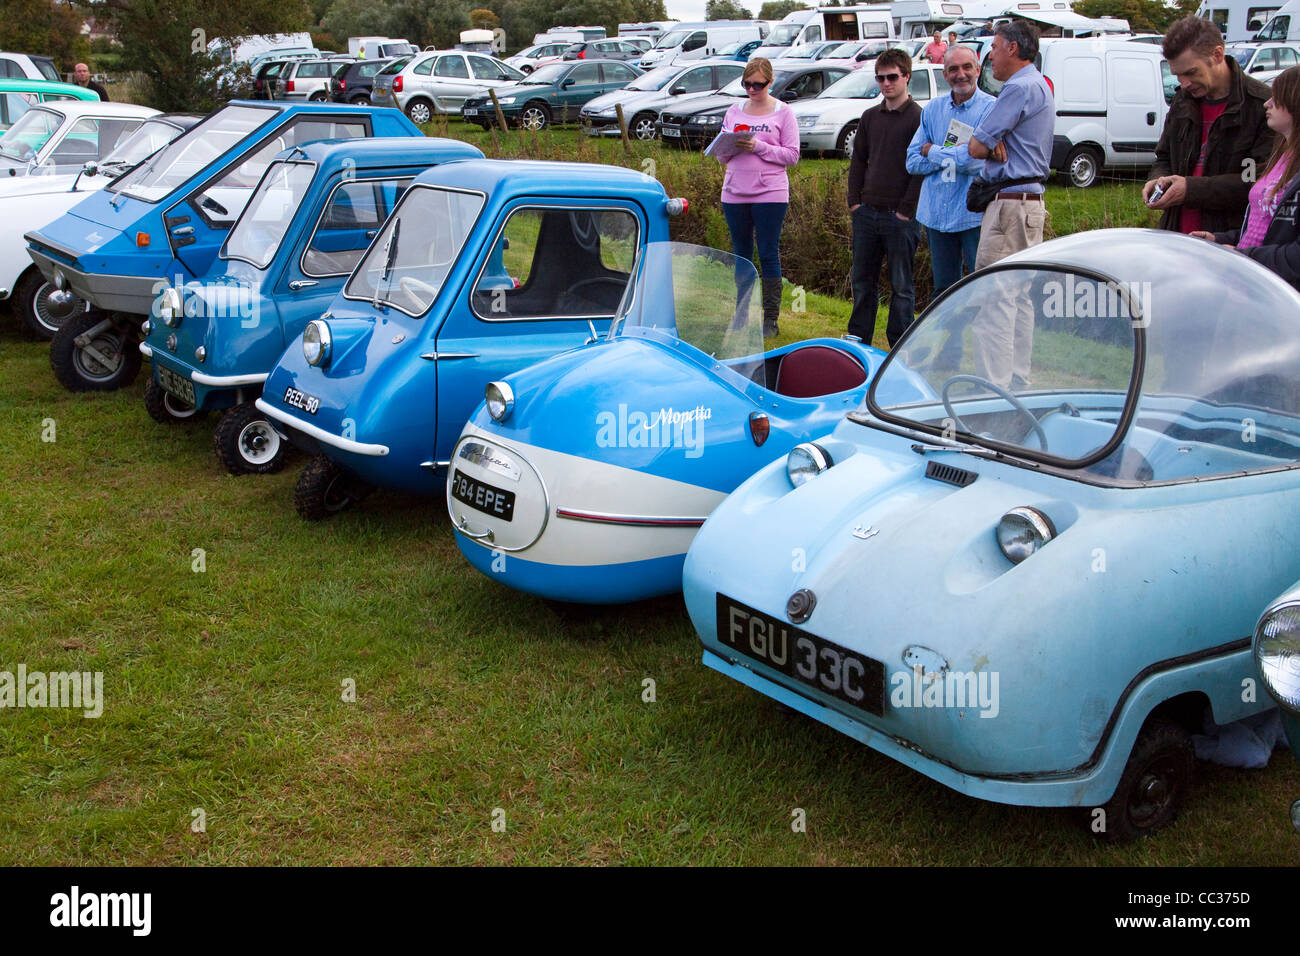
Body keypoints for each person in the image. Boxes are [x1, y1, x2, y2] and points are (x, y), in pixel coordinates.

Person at [966, 21, 1053, 389]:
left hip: (1010, 203)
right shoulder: (1040, 85)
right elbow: (985, 143)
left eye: (996, 48)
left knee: (996, 298)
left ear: (1013, 49)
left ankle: (995, 388)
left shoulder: (1017, 88)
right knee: (1018, 298)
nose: (991, 58)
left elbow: (974, 146)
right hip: (1029, 204)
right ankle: (1018, 380)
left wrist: (990, 139)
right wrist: (992, 140)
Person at [1144, 16, 1272, 235]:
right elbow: (1164, 157)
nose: (1184, 83)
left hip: (1227, 242)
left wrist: (1191, 190)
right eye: (1177, 75)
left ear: (1218, 55)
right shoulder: (1182, 101)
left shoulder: (1260, 106)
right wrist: (1158, 180)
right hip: (1175, 237)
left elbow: (1253, 180)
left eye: (1191, 72)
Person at [1192, 66, 1300, 289]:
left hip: (1283, 296)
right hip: (1251, 284)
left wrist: (1246, 257)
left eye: (1276, 97)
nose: (1266, 104)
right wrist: (1222, 240)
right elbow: (1262, 226)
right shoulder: (1280, 156)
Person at [715, 56, 800, 337]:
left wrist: (759, 146)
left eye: (758, 85)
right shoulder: (734, 110)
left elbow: (792, 155)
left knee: (767, 252)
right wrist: (727, 147)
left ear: (770, 82)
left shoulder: (783, 112)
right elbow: (722, 156)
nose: (752, 89)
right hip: (734, 191)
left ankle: (770, 320)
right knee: (741, 254)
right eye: (747, 84)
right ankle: (740, 313)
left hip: (770, 193)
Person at [846, 48, 924, 346]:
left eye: (892, 77)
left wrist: (906, 210)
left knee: (901, 286)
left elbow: (921, 171)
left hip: (901, 218)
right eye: (880, 78)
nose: (886, 83)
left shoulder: (919, 117)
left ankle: (899, 346)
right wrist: (854, 201)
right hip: (867, 213)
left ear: (906, 77)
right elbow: (858, 161)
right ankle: (857, 340)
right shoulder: (869, 117)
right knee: (863, 282)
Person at [906, 45, 995, 298]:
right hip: (936, 215)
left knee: (982, 290)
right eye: (953, 69)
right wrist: (956, 153)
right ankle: (948, 339)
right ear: (944, 74)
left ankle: (981, 339)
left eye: (967, 67)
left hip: (973, 215)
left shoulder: (991, 109)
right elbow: (911, 161)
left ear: (977, 70)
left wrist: (932, 150)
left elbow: (974, 163)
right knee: (943, 294)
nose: (961, 74)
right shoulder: (933, 110)